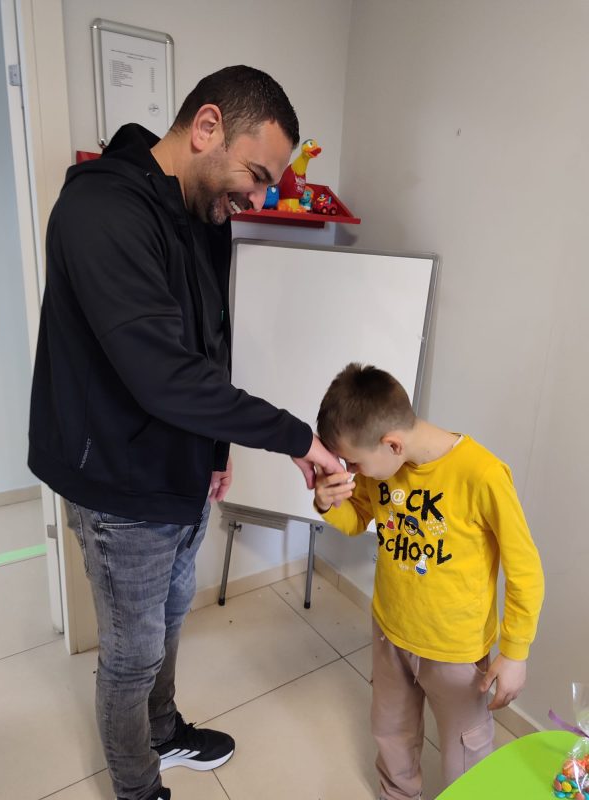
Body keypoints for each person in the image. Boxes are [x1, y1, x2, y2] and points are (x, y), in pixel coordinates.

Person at [28, 65, 345, 800]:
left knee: (171, 622)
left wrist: (217, 448)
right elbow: (163, 376)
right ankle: (138, 788)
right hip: (118, 484)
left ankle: (164, 730)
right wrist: (297, 438)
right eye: (256, 175)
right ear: (207, 128)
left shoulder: (204, 213)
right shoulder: (102, 210)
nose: (258, 199)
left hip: (182, 470)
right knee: (132, 657)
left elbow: (211, 340)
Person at [313, 363, 544, 799]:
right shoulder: (381, 468)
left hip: (455, 651)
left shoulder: (482, 474)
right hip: (391, 631)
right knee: (391, 732)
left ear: (392, 444)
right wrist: (327, 502)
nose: (351, 470)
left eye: (354, 461)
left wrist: (515, 651)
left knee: (466, 750)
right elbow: (357, 517)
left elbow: (525, 569)